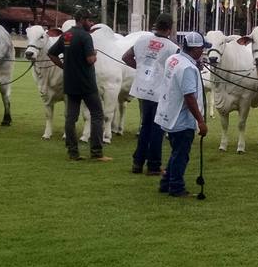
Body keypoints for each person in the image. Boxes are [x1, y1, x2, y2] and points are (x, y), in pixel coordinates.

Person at [48, 9, 112, 162]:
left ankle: (73, 152)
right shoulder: (85, 36)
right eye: (90, 20)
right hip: (87, 84)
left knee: (71, 117)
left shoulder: (66, 35)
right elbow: (90, 60)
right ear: (82, 19)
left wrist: (64, 67)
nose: (91, 23)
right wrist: (94, 54)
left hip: (70, 82)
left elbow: (51, 53)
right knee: (97, 115)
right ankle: (96, 152)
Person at [122, 13, 179, 175]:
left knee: (145, 126)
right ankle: (153, 165)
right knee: (157, 129)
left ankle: (137, 162)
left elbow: (126, 57)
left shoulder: (141, 40)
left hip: (142, 89)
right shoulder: (171, 47)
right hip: (160, 91)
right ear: (169, 28)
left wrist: (140, 68)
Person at [155, 32, 209, 198]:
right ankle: (176, 187)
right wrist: (201, 121)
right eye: (201, 48)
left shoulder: (174, 59)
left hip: (168, 113)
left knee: (176, 152)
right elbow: (189, 97)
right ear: (195, 49)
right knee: (181, 155)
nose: (203, 51)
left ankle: (166, 182)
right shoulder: (187, 68)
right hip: (181, 118)